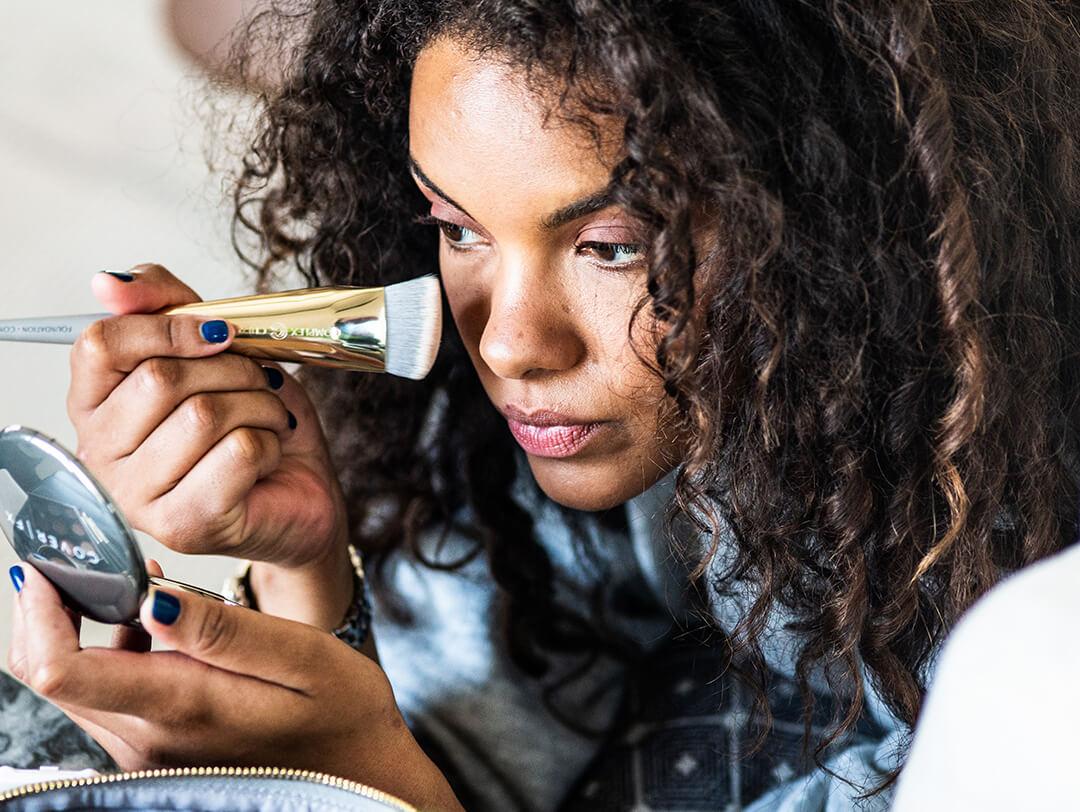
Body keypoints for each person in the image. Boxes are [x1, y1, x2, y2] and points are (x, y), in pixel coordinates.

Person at [6, 1, 1080, 809]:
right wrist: (302, 565)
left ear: (841, 219)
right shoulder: (619, 448)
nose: (509, 343)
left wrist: (373, 787)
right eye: (457, 225)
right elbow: (487, 732)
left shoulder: (1032, 647)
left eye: (614, 248)